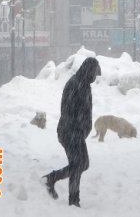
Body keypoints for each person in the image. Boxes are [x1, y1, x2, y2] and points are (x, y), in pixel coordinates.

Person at [43, 57, 101, 207]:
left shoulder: (84, 84)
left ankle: (52, 178)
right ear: (88, 71)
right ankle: (73, 199)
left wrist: (83, 129)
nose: (95, 77)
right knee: (79, 164)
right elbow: (68, 110)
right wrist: (77, 129)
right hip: (69, 132)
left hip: (76, 133)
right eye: (94, 73)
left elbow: (85, 110)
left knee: (81, 164)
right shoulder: (75, 84)